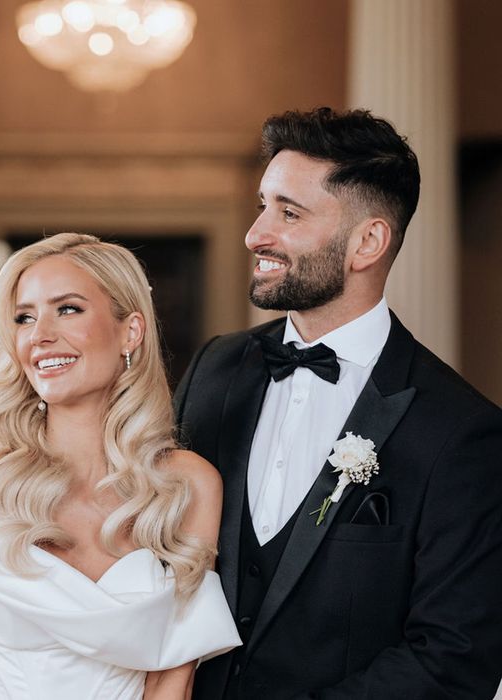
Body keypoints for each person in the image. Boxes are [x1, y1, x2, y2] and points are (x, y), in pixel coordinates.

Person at [174, 108, 502, 699]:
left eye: (288, 212)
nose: (256, 234)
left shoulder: (461, 431)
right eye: (262, 205)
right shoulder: (214, 370)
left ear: (367, 242)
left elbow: (454, 658)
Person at [0, 232, 241, 700]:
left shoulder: (186, 484)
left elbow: (173, 681)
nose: (40, 335)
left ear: (130, 330)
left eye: (68, 309)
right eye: (24, 318)